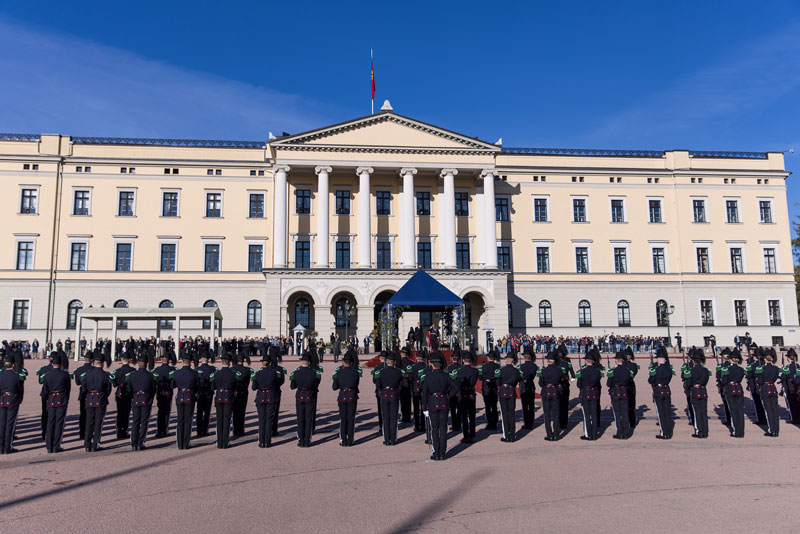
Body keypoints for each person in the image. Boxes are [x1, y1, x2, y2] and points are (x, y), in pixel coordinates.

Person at [421, 351, 456, 460]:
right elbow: (455, 388)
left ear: (431, 364)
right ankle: (442, 453)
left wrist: (424, 407)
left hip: (432, 403)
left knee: (434, 429)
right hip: (444, 403)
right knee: (443, 429)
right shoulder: (446, 376)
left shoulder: (428, 376)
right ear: (440, 364)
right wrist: (447, 395)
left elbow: (425, 393)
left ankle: (436, 452)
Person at [252, 352, 284, 448]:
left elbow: (254, 387)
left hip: (261, 395)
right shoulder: (274, 373)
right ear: (270, 363)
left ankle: (261, 441)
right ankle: (267, 441)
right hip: (270, 396)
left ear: (262, 363)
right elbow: (278, 383)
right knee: (269, 420)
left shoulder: (257, 374)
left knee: (261, 420)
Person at [40, 353, 71, 453]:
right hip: (61, 400)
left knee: (50, 423)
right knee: (59, 423)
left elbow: (45, 390)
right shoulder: (65, 375)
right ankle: (56, 445)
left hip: (51, 400)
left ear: (52, 363)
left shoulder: (48, 375)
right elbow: (68, 389)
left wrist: (47, 399)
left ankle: (49, 445)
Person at [81, 353, 112, 452]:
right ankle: (95, 444)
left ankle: (87, 444)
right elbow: (108, 390)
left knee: (89, 422)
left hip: (90, 399)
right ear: (102, 363)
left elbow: (83, 389)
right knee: (98, 423)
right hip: (100, 399)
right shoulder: (105, 375)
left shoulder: (88, 374)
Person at [290, 351, 321, 447]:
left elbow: (292, 386)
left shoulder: (296, 373)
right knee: (308, 418)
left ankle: (300, 439)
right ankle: (307, 440)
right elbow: (316, 385)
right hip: (310, 395)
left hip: (300, 395)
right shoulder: (313, 373)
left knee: (300, 418)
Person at [127, 355, 157, 451]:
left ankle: (134, 442)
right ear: (146, 364)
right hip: (146, 400)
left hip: (136, 399)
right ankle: (141, 442)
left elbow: (129, 389)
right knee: (144, 422)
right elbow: (153, 389)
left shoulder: (132, 375)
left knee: (135, 421)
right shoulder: (150, 375)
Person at [211, 355, 241, 449]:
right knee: (227, 420)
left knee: (219, 420)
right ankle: (225, 441)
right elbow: (236, 385)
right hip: (228, 397)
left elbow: (212, 387)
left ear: (221, 362)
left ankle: (219, 442)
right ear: (230, 363)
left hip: (219, 396)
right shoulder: (233, 374)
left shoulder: (216, 373)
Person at [375, 351, 404, 445]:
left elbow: (378, 384)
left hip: (384, 394)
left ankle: (387, 439)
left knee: (385, 417)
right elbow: (400, 384)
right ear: (394, 362)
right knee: (393, 417)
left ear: (387, 361)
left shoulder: (382, 372)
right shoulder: (398, 372)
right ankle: (393, 439)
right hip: (394, 394)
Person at [171, 355, 199, 449]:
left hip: (180, 396)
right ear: (190, 362)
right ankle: (186, 443)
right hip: (189, 396)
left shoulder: (177, 373)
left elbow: (172, 385)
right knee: (188, 420)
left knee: (180, 420)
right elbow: (197, 386)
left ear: (182, 361)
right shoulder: (194, 373)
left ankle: (179, 443)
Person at [333, 353, 360, 447]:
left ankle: (343, 439)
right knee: (351, 419)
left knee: (343, 419)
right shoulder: (355, 372)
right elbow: (356, 385)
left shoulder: (339, 372)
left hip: (342, 396)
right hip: (352, 396)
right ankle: (350, 439)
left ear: (343, 362)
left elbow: (334, 387)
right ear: (351, 362)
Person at [0, 351, 25, 454]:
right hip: (13, 400)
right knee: (10, 424)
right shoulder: (17, 375)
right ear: (13, 365)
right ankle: (8, 447)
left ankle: (1, 447)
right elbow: (20, 390)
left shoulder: (1, 374)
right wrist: (19, 399)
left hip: (2, 399)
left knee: (1, 424)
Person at [648, 347, 674, 440]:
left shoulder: (656, 370)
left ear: (659, 359)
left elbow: (650, 380)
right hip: (666, 389)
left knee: (661, 413)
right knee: (667, 412)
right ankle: (668, 432)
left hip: (658, 390)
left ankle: (664, 433)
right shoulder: (669, 369)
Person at [576, 351, 602, 440]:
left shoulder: (582, 372)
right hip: (594, 393)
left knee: (586, 415)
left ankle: (588, 434)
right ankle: (594, 434)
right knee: (594, 414)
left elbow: (579, 384)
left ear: (586, 361)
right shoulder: (597, 372)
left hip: (585, 393)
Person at [720, 350, 746, 437]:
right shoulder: (741, 369)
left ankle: (736, 431)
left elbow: (723, 381)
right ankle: (741, 431)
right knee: (740, 411)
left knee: (733, 411)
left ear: (731, 360)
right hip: (738, 388)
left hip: (730, 389)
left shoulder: (726, 369)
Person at [496, 351, 521, 442]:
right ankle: (512, 435)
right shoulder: (516, 371)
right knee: (511, 413)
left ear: (506, 360)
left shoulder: (502, 370)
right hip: (511, 391)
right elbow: (518, 380)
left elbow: (497, 383)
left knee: (504, 414)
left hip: (503, 391)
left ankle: (506, 435)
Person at [454, 351, 479, 443]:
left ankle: (466, 436)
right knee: (472, 416)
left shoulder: (460, 371)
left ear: (463, 360)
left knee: (464, 416)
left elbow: (457, 382)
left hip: (463, 393)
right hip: (471, 393)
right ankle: (472, 435)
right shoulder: (475, 371)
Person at [608, 351, 633, 440]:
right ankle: (626, 432)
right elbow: (629, 381)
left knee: (617, 413)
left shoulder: (613, 371)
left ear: (616, 361)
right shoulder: (627, 371)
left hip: (615, 391)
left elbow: (608, 383)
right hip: (624, 391)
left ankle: (619, 432)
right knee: (624, 412)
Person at [538, 352, 562, 441]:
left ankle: (549, 434)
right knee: (556, 413)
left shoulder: (544, 371)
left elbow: (541, 383)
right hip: (555, 391)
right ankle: (556, 434)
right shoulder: (559, 370)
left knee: (547, 414)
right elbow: (560, 380)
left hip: (546, 391)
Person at [756, 350, 781, 437]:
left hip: (765, 389)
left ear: (765, 359)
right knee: (775, 410)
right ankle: (776, 430)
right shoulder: (776, 368)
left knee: (768, 411)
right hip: (773, 388)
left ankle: (771, 430)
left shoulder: (761, 368)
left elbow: (759, 381)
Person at [111, 354, 135, 439]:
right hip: (128, 394)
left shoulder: (117, 371)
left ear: (121, 360)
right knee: (126, 413)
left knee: (119, 413)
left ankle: (119, 431)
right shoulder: (133, 370)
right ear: (129, 360)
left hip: (120, 393)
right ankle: (124, 430)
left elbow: (114, 384)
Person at [152, 355, 176, 438]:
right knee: (166, 411)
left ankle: (159, 430)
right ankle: (164, 430)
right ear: (169, 360)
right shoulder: (172, 370)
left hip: (160, 390)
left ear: (162, 360)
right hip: (168, 391)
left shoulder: (157, 370)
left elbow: (154, 381)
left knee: (160, 410)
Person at [688, 351, 711, 438]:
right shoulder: (705, 370)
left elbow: (689, 382)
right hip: (703, 390)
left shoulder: (692, 370)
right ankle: (705, 431)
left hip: (695, 391)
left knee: (697, 412)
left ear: (694, 361)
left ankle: (699, 431)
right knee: (703, 412)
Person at [231, 354, 253, 438]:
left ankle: (235, 430)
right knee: (242, 411)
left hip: (234, 391)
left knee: (234, 411)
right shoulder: (247, 370)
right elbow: (247, 382)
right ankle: (241, 429)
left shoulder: (232, 369)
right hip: (243, 391)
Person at [73, 351, 93, 440]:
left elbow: (77, 383)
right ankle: (89, 433)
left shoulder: (79, 370)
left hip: (82, 393)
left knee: (83, 414)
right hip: (92, 394)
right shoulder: (93, 370)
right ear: (92, 360)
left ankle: (82, 432)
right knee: (91, 415)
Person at [195, 354, 216, 437]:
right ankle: (205, 430)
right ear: (208, 360)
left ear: (201, 359)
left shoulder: (197, 369)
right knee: (206, 413)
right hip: (208, 392)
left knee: (199, 412)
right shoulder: (212, 369)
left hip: (200, 392)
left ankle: (199, 430)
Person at [479, 350, 500, 431]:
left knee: (487, 406)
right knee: (494, 405)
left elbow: (480, 378)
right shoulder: (497, 366)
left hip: (486, 386)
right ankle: (494, 422)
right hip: (494, 386)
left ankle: (489, 422)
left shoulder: (483, 366)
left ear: (488, 358)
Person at [408, 351, 429, 433]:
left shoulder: (413, 367)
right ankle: (423, 425)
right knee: (424, 407)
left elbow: (410, 378)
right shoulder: (426, 367)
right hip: (424, 388)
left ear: (416, 358)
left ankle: (417, 425)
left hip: (415, 388)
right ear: (424, 359)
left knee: (416, 408)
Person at [519, 348, 539, 430]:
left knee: (525, 406)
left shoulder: (521, 366)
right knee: (531, 406)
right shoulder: (535, 366)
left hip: (523, 386)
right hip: (531, 385)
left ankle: (526, 423)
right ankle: (531, 423)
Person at [36, 356, 53, 441]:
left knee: (44, 413)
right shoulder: (62, 371)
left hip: (45, 393)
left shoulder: (43, 369)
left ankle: (44, 432)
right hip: (55, 395)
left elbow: (40, 381)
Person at [780, 348, 800, 424]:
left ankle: (794, 418)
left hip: (790, 387)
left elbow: (783, 377)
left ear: (788, 358)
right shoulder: (798, 366)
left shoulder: (787, 368)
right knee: (798, 403)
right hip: (797, 388)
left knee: (792, 405)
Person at [444, 351, 462, 431]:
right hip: (459, 390)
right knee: (459, 408)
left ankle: (455, 425)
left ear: (452, 359)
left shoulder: (448, 368)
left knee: (453, 409)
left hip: (451, 391)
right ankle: (458, 424)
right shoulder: (461, 368)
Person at [623, 347, 639, 428]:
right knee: (631, 404)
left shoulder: (625, 365)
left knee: (628, 404)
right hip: (630, 385)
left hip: (625, 385)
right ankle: (631, 421)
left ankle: (629, 421)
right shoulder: (634, 365)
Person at [371, 352, 387, 433]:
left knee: (380, 409)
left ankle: (381, 426)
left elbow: (374, 381)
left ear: (380, 358)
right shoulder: (390, 367)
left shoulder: (377, 368)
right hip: (389, 391)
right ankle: (387, 426)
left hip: (380, 390)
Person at [398, 347, 413, 424]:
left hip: (401, 383)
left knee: (402, 401)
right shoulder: (411, 363)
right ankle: (408, 416)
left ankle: (403, 416)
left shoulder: (399, 363)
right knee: (408, 400)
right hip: (409, 383)